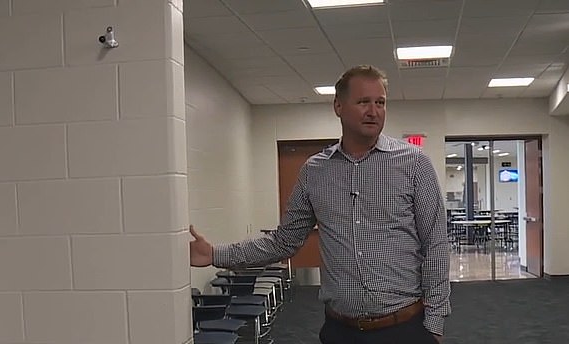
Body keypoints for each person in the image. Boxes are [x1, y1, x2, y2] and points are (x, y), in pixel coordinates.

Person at [190, 65, 451, 344]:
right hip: (341, 331)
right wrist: (214, 254)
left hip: (405, 329)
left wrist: (434, 325)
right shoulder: (315, 172)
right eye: (363, 102)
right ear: (338, 106)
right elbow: (283, 242)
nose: (374, 111)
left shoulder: (414, 164)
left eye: (380, 102)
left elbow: (435, 243)